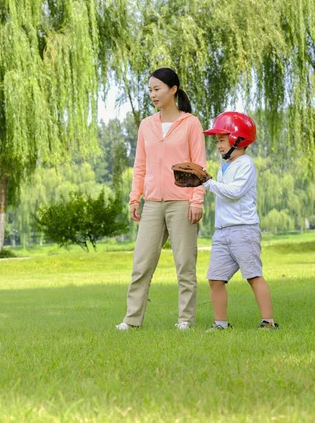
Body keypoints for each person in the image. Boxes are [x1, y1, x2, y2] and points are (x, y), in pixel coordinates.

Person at [117, 68, 207, 331]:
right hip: (153, 204)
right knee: (141, 264)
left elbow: (198, 164)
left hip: (182, 202)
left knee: (185, 266)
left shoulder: (190, 123)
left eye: (157, 89)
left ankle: (185, 320)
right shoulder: (147, 125)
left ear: (173, 90)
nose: (153, 94)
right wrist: (135, 198)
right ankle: (131, 320)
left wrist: (196, 200)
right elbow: (140, 166)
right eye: (150, 90)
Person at [202, 111, 278, 331]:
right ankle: (220, 324)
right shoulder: (223, 166)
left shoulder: (245, 164)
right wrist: (205, 184)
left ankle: (268, 322)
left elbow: (234, 192)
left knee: (253, 275)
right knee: (215, 279)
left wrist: (208, 183)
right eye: (217, 141)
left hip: (243, 230)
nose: (218, 145)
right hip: (222, 232)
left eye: (222, 140)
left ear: (237, 138)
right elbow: (221, 191)